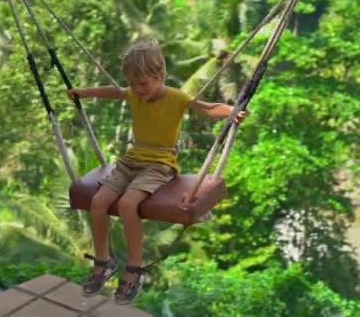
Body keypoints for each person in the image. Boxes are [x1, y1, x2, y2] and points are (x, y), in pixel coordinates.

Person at [69, 39, 246, 305]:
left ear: (160, 75)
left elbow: (207, 109)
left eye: (144, 84)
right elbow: (112, 91)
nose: (138, 91)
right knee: (98, 202)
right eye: (133, 84)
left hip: (159, 165)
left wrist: (232, 111)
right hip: (130, 161)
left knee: (129, 203)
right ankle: (103, 262)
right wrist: (82, 91)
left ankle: (134, 268)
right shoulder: (132, 92)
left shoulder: (176, 98)